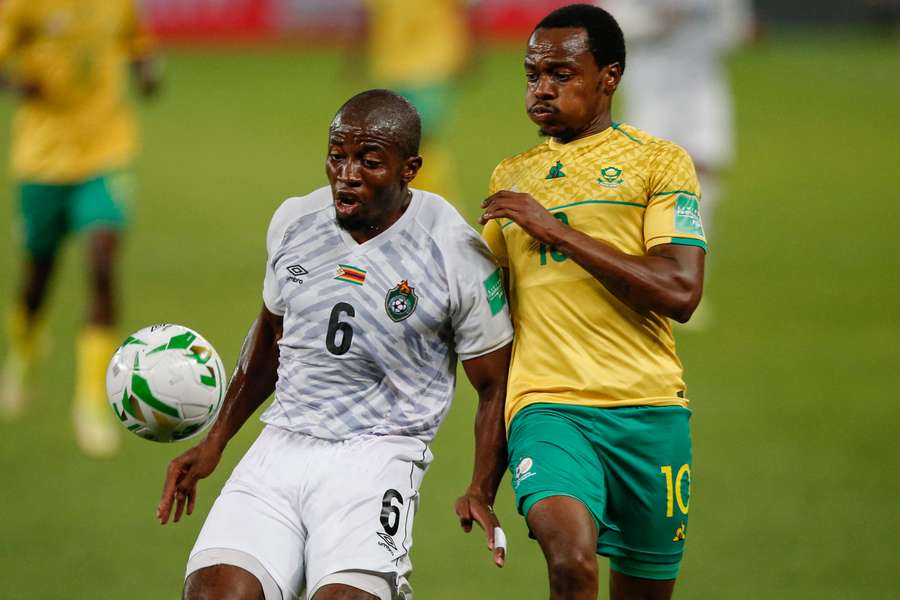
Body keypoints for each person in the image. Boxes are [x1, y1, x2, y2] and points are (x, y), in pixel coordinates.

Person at [158, 89, 513, 600]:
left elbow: (494, 383)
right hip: (282, 445)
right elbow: (270, 341)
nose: (347, 174)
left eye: (369, 162)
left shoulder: (453, 252)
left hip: (378, 456)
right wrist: (216, 440)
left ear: (410, 168)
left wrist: (481, 486)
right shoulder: (294, 223)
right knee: (213, 594)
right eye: (337, 156)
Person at [477, 5, 705, 599]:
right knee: (572, 562)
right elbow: (490, 330)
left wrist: (558, 232)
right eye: (532, 75)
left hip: (648, 410)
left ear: (610, 76)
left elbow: (680, 291)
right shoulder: (511, 178)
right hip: (549, 409)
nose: (541, 90)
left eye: (561, 74)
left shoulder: (660, 163)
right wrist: (482, 480)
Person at [0, 0, 161, 457]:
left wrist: (147, 68)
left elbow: (137, 40)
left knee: (102, 264)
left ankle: (90, 401)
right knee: (38, 277)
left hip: (106, 154)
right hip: (43, 160)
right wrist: (16, 83)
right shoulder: (24, 7)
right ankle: (24, 356)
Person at [602, 0, 754, 327]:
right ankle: (637, 282)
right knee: (644, 189)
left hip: (702, 93)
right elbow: (611, 26)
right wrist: (659, 21)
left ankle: (687, 286)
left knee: (703, 187)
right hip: (651, 94)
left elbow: (736, 29)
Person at [361, 0, 472, 209]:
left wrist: (469, 48)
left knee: (422, 139)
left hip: (431, 67)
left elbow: (460, 10)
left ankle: (439, 204)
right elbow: (372, 16)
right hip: (393, 69)